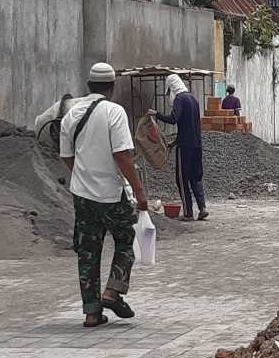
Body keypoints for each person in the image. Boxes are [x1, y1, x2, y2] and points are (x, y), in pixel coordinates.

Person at [59, 62, 148, 329]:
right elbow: (122, 155)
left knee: (87, 251)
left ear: (89, 85)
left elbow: (66, 156)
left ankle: (91, 313)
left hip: (82, 196)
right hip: (110, 194)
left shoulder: (71, 114)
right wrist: (139, 191)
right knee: (126, 239)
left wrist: (83, 176)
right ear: (112, 87)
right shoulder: (114, 112)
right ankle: (113, 291)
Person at [156, 74, 208, 222]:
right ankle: (202, 208)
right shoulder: (193, 99)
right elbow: (189, 126)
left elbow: (174, 119)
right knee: (195, 176)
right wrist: (174, 143)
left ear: (172, 87)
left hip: (185, 147)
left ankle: (188, 213)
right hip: (197, 144)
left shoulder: (180, 99)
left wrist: (156, 114)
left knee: (182, 179)